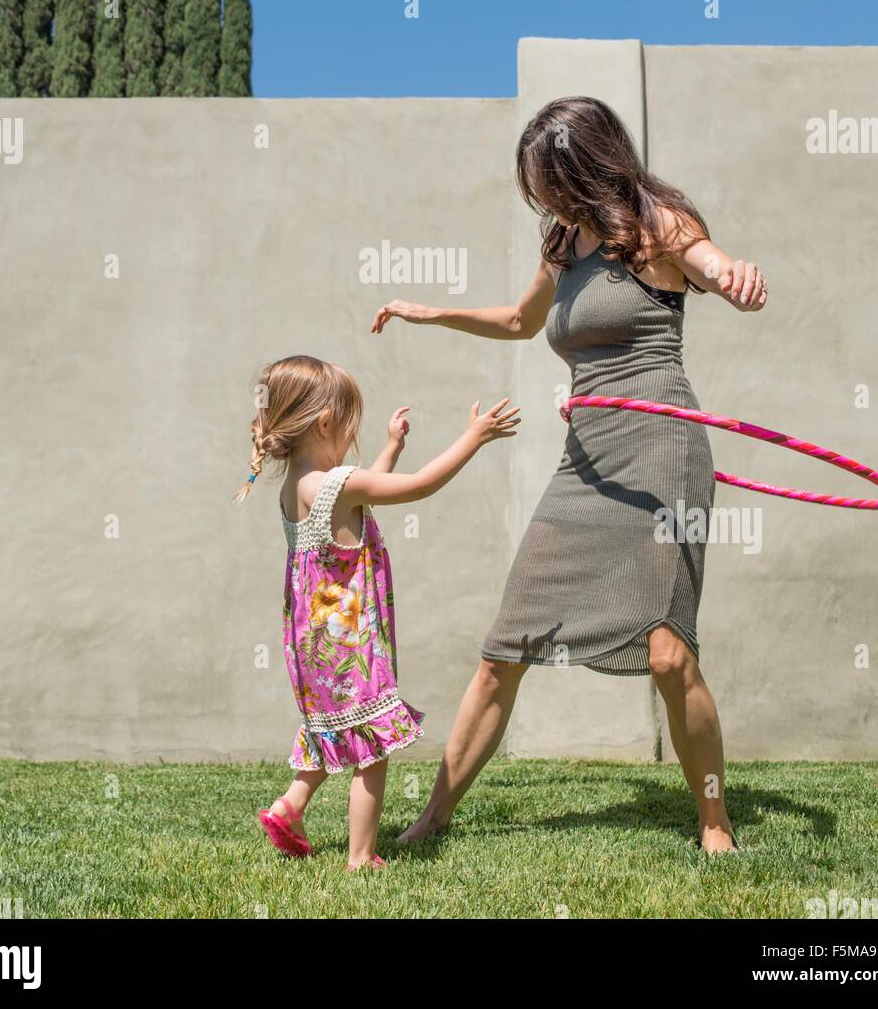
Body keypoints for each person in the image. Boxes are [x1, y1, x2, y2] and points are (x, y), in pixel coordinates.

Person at [370, 96, 768, 855]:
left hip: (661, 449)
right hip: (584, 457)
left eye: (549, 180)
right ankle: (434, 817)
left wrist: (737, 275)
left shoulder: (659, 222)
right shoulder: (563, 242)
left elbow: (713, 269)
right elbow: (520, 322)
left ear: (584, 164)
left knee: (667, 652)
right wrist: (430, 312)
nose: (543, 197)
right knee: (503, 648)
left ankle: (714, 824)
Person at [238, 354, 519, 869]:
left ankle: (290, 805)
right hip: (351, 646)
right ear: (325, 422)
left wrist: (391, 446)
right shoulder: (335, 485)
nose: (353, 433)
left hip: (312, 645)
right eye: (351, 422)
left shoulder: (297, 486)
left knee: (334, 727)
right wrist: (473, 438)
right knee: (371, 746)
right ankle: (362, 855)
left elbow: (365, 497)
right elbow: (419, 486)